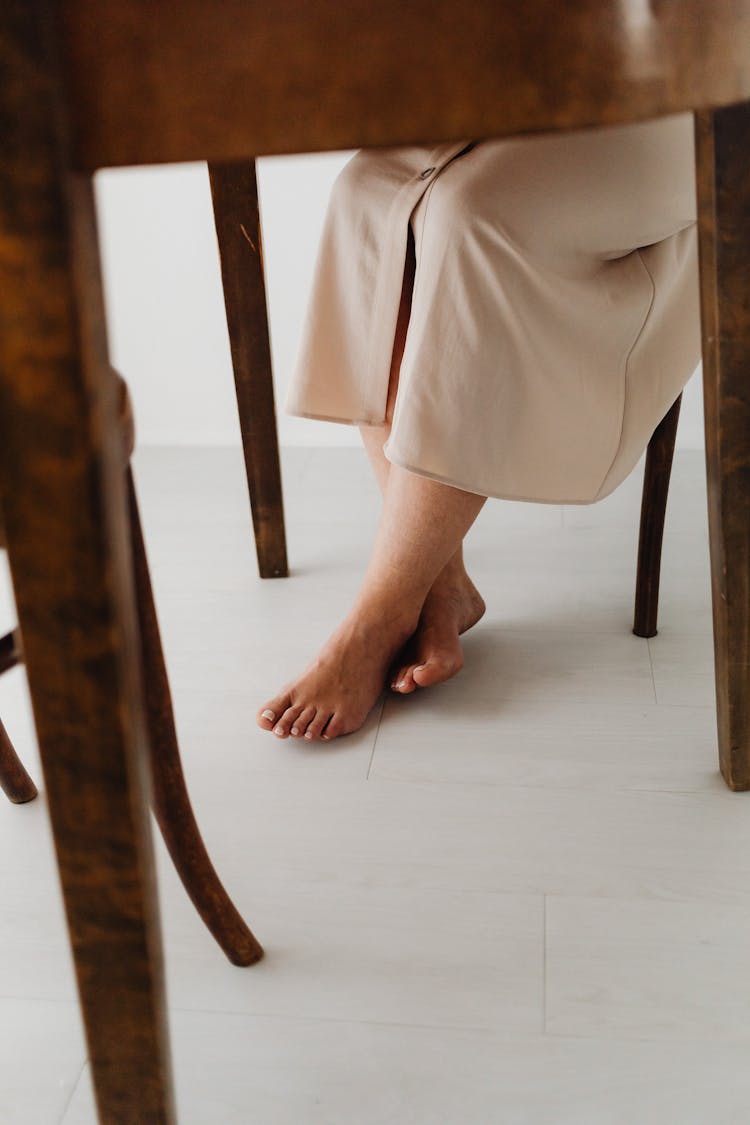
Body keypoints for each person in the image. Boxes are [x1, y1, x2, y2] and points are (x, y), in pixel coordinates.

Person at [256, 113, 701, 742]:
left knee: (475, 212)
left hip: (694, 94)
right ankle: (440, 582)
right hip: (539, 85)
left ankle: (378, 617)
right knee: (367, 188)